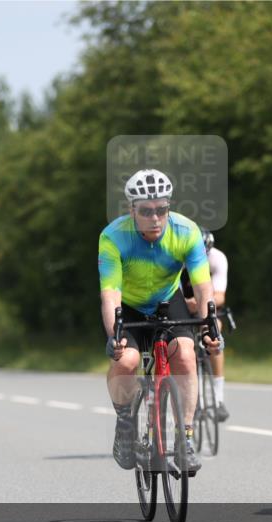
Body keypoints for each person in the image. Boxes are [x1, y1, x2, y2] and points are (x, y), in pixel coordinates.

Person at [99, 168, 223, 473]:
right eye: (146, 211)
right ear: (132, 210)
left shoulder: (186, 231)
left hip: (170, 301)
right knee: (126, 361)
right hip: (128, 306)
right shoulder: (113, 237)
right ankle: (125, 422)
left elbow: (203, 285)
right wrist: (114, 335)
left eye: (161, 210)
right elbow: (110, 293)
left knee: (184, 352)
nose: (155, 218)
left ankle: (186, 438)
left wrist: (209, 325)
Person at [182, 228, 231, 421]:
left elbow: (220, 296)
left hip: (207, 304)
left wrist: (201, 302)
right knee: (185, 348)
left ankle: (218, 399)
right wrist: (187, 303)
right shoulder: (177, 259)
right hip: (182, 306)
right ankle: (195, 401)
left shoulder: (218, 258)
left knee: (215, 330)